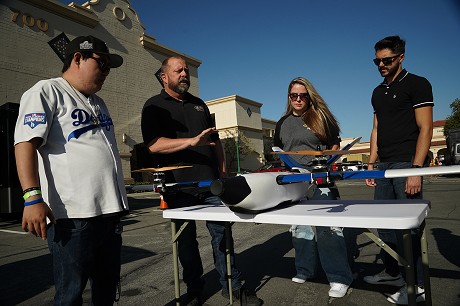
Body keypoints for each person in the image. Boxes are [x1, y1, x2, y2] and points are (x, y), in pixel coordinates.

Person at [14, 35, 129, 305]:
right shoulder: (47, 91)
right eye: (102, 64)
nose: (106, 73)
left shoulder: (99, 103)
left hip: (109, 214)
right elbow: (24, 144)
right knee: (70, 295)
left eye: (109, 68)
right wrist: (32, 197)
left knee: (107, 289)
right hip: (73, 217)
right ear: (78, 57)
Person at [141, 56, 262, 306]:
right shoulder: (154, 106)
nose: (185, 74)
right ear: (164, 77)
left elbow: (215, 141)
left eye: (186, 70)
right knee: (186, 243)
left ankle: (233, 286)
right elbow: (154, 145)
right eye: (179, 71)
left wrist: (223, 171)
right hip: (179, 187)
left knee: (222, 236)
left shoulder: (199, 105)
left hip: (211, 185)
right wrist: (191, 142)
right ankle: (195, 290)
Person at [364, 35, 434, 305]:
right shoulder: (377, 91)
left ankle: (417, 285)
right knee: (384, 224)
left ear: (401, 57)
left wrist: (416, 169)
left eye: (387, 60)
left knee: (408, 228)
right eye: (377, 60)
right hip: (383, 166)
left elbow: (426, 128)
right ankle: (393, 273)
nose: (381, 64)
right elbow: (376, 129)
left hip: (406, 163)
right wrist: (371, 163)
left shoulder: (418, 84)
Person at [273, 77, 353, 299]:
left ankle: (339, 277)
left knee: (329, 229)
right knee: (300, 229)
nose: (298, 99)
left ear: (309, 96)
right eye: (294, 96)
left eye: (302, 95)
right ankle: (305, 269)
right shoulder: (282, 122)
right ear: (289, 97)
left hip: (320, 178)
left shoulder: (321, 117)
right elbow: (280, 149)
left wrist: (331, 159)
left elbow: (335, 144)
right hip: (294, 181)